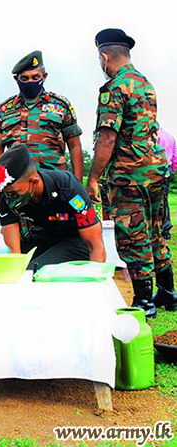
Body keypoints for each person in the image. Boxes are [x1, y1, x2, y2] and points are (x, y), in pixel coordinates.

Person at [86, 29, 175, 318]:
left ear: (104, 56)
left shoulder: (114, 88)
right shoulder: (145, 83)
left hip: (129, 174)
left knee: (132, 235)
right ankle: (168, 292)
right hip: (156, 170)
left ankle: (144, 300)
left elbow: (108, 137)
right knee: (155, 231)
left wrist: (94, 177)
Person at [0, 144, 105, 269]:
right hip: (43, 236)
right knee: (2, 268)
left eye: (15, 193)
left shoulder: (67, 187)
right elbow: (14, 252)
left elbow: (95, 246)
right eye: (7, 194)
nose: (10, 198)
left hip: (75, 240)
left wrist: (95, 281)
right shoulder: (5, 195)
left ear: (34, 181)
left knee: (33, 271)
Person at [0, 51, 84, 180]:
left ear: (44, 76)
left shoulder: (60, 106)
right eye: (25, 78)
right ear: (16, 79)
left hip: (54, 180)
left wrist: (77, 182)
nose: (30, 82)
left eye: (35, 77)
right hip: (17, 182)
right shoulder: (4, 110)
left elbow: (75, 145)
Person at [158, 128, 176, 240]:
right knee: (164, 199)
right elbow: (175, 157)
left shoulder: (153, 136)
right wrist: (172, 170)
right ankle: (166, 229)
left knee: (154, 200)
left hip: (157, 169)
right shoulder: (170, 137)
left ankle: (158, 227)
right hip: (168, 169)